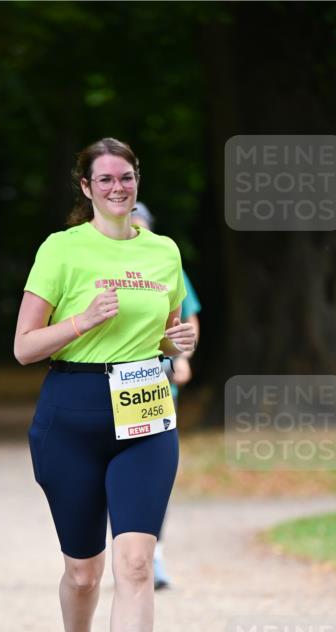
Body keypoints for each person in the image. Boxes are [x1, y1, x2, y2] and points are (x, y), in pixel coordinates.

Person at [14, 138, 196, 632]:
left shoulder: (163, 251)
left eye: (128, 177)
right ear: (86, 188)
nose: (119, 187)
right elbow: (24, 346)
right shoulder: (61, 250)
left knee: (137, 562)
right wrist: (83, 320)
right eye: (106, 179)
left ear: (137, 182)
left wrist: (180, 343)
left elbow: (166, 332)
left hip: (145, 411)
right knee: (85, 574)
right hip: (72, 412)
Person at [131, 202, 201, 589]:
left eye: (141, 225)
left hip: (156, 384)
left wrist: (183, 357)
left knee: (151, 471)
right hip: (108, 384)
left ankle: (152, 553)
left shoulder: (166, 262)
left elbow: (188, 318)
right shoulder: (99, 263)